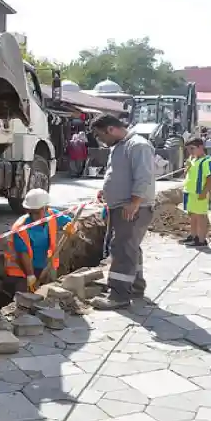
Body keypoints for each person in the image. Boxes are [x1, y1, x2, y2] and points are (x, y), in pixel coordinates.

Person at [91, 114, 155, 309]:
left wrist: (135, 202)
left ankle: (118, 295)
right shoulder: (119, 146)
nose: (101, 141)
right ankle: (134, 285)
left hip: (133, 208)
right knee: (130, 247)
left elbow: (143, 176)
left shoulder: (137, 145)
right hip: (121, 206)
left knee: (122, 249)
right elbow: (120, 173)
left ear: (111, 129)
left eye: (101, 136)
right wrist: (107, 189)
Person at [3, 188, 74, 294]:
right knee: (24, 297)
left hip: (47, 264)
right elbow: (23, 254)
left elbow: (72, 222)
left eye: (36, 212)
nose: (33, 216)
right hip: (21, 270)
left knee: (48, 296)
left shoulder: (52, 215)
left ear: (46, 208)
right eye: (30, 212)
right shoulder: (20, 227)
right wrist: (30, 276)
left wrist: (71, 228)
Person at [180, 138, 211, 247]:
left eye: (192, 149)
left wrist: (204, 192)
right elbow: (187, 174)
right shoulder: (192, 159)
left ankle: (201, 239)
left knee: (201, 216)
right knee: (192, 215)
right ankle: (193, 235)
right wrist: (187, 168)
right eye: (188, 149)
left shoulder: (208, 161)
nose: (190, 152)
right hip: (190, 191)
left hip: (199, 193)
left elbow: (210, 178)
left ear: (201, 147)